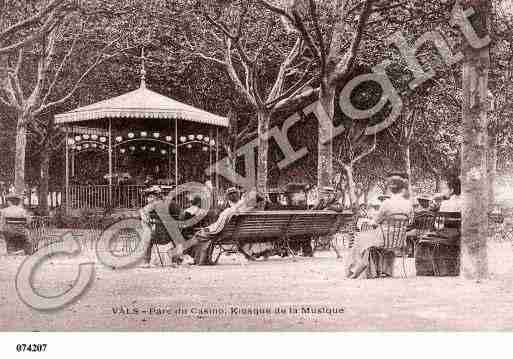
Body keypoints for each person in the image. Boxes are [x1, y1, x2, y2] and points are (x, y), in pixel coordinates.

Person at [346, 176, 413, 279]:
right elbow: (410, 221)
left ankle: (355, 270)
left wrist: (369, 222)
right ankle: (384, 270)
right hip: (399, 240)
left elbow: (374, 222)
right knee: (370, 239)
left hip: (383, 239)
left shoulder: (387, 203)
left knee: (360, 238)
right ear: (402, 188)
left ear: (390, 188)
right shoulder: (408, 204)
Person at [190, 189, 266, 264]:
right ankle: (201, 259)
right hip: (234, 232)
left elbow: (235, 210)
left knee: (200, 234)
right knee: (202, 233)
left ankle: (199, 259)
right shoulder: (247, 209)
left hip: (223, 232)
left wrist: (243, 201)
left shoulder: (237, 209)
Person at [140, 186, 181, 268]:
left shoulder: (155, 203)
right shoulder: (171, 203)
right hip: (171, 232)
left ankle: (146, 261)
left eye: (150, 196)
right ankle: (175, 260)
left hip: (159, 232)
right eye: (148, 196)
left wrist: (146, 220)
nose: (148, 199)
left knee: (148, 237)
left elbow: (143, 212)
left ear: (155, 196)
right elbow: (179, 215)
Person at [283, 183, 313, 257]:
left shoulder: (289, 210)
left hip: (292, 230)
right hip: (304, 230)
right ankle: (307, 250)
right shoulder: (306, 210)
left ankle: (294, 249)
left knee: (291, 228)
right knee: (304, 229)